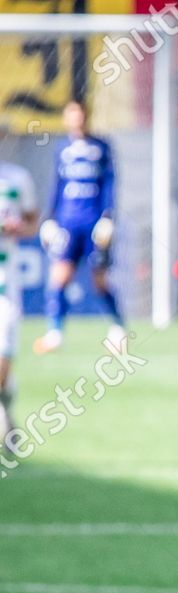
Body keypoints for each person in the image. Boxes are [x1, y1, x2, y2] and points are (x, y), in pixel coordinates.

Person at [33, 101, 128, 356]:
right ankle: (55, 333)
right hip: (68, 222)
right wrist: (50, 217)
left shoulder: (101, 147)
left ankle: (118, 329)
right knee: (58, 277)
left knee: (99, 280)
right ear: (66, 119)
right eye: (71, 115)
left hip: (93, 223)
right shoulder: (62, 148)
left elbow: (109, 184)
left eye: (80, 115)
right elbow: (57, 184)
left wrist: (108, 217)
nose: (76, 120)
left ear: (86, 117)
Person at [0, 151, 39, 449]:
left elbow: (31, 222)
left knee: (4, 357)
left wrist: (17, 228)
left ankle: (6, 409)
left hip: (6, 285)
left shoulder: (16, 178)